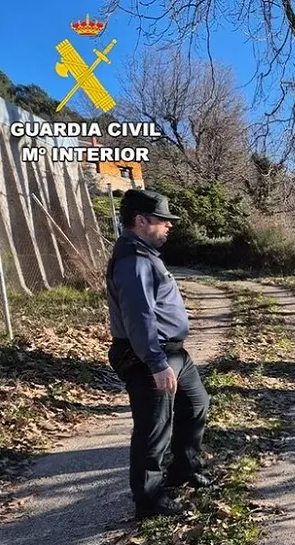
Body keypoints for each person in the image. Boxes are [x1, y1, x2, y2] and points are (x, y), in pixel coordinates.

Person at [106, 189, 211, 519]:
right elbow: (139, 317)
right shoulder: (133, 260)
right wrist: (156, 363)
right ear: (141, 220)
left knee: (196, 405)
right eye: (163, 220)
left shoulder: (144, 254)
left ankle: (184, 469)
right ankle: (148, 501)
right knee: (154, 429)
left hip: (174, 353)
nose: (169, 226)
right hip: (150, 357)